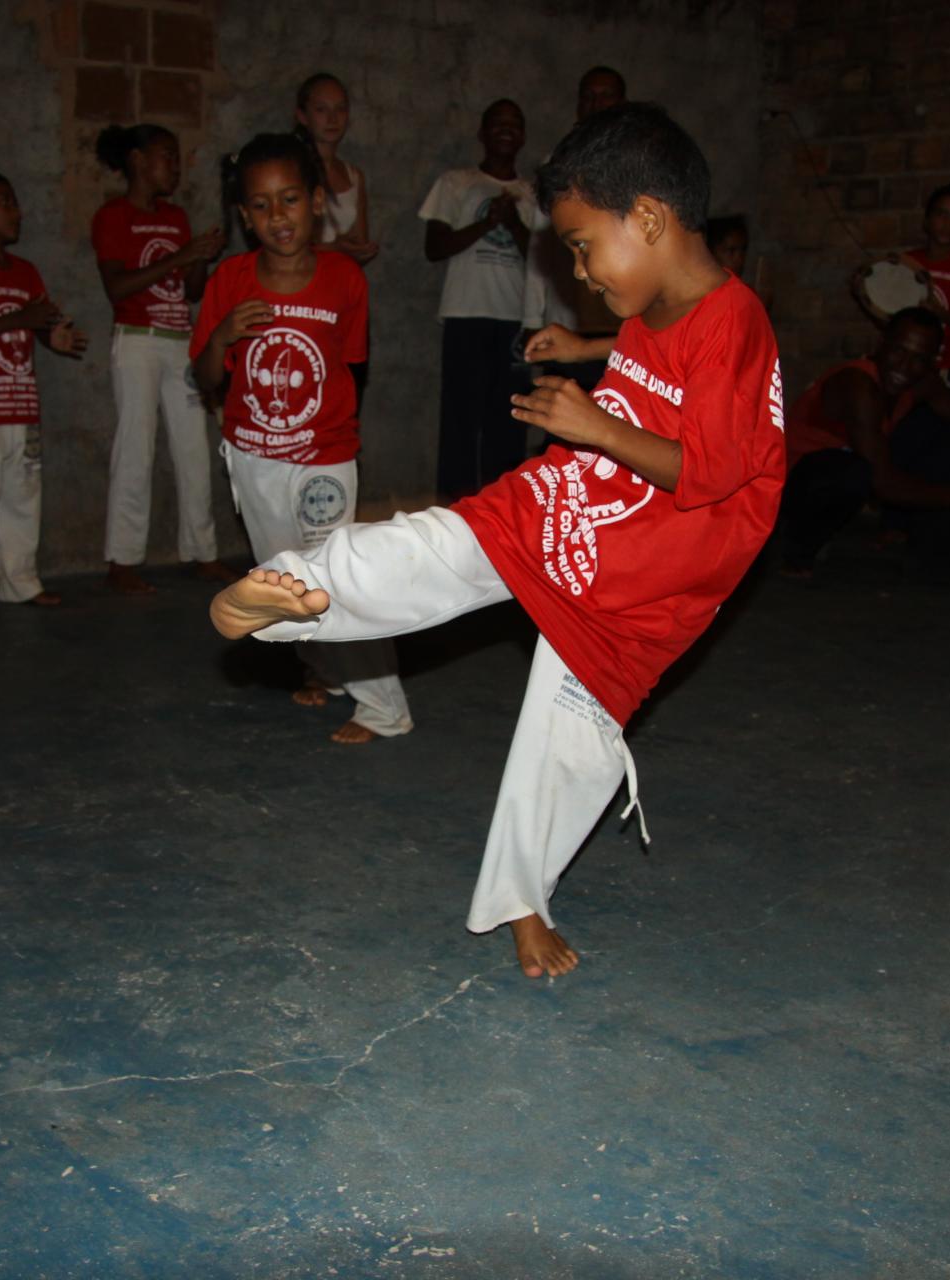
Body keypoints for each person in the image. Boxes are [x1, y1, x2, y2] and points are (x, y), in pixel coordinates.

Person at [210, 104, 787, 978]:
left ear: (651, 220)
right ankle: (291, 592)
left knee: (568, 743)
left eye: (584, 248)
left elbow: (709, 470)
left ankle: (520, 898)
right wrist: (591, 348)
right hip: (584, 505)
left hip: (649, 573)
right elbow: (647, 348)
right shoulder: (662, 297)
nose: (581, 271)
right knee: (445, 541)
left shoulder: (738, 324)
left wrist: (593, 426)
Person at [191, 133, 411, 745]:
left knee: (336, 578)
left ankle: (383, 706)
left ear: (317, 201)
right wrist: (220, 337)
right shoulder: (231, 280)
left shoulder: (344, 280)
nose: (276, 217)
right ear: (242, 215)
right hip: (254, 459)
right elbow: (204, 376)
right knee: (286, 580)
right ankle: (326, 670)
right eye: (260, 206)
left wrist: (332, 441)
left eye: (289, 200)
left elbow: (352, 369)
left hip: (324, 459)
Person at [775, 308, 950, 579]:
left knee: (939, 426)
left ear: (932, 362)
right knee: (853, 472)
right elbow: (882, 483)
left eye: (919, 359)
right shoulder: (858, 385)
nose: (903, 367)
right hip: (795, 485)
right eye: (898, 351)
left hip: (855, 462)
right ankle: (797, 552)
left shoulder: (920, 383)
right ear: (880, 345)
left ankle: (936, 553)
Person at [92, 125, 230, 596]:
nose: (175, 165)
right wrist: (182, 256)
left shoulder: (176, 218)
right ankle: (123, 560)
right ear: (137, 160)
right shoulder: (113, 216)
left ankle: (203, 551)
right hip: (137, 340)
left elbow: (190, 291)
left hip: (178, 340)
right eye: (166, 156)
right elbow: (117, 288)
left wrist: (200, 258)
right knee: (136, 448)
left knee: (194, 448)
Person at [0, 172, 89, 619]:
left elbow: (42, 324)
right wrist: (22, 318)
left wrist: (56, 338)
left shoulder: (26, 273)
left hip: (22, 406)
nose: (15, 211)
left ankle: (19, 582)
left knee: (23, 499)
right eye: (3, 202)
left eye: (14, 202)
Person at [420, 99, 543, 498]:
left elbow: (541, 257)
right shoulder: (456, 182)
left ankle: (501, 513)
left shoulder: (534, 193)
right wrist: (486, 222)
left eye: (514, 123)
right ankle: (452, 512)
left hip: (516, 320)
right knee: (460, 420)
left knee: (509, 420)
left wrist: (513, 222)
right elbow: (434, 246)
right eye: (497, 123)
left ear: (523, 135)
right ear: (482, 132)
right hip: (465, 315)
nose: (506, 130)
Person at [523, 67, 629, 396]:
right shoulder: (558, 164)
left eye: (606, 95)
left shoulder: (637, 163)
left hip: (625, 322)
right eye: (588, 96)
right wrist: (531, 313)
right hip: (570, 323)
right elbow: (541, 247)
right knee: (563, 427)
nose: (596, 103)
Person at [850, 183, 950, 393]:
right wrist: (865, 297)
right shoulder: (906, 264)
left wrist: (939, 313)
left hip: (944, 369)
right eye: (941, 214)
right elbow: (890, 323)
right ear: (927, 220)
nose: (947, 223)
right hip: (900, 368)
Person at [294, 72, 379, 265]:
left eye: (340, 109)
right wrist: (335, 248)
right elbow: (278, 245)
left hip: (339, 284)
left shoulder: (354, 176)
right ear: (302, 115)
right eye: (321, 110)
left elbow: (359, 244)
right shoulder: (289, 170)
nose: (332, 119)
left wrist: (361, 251)